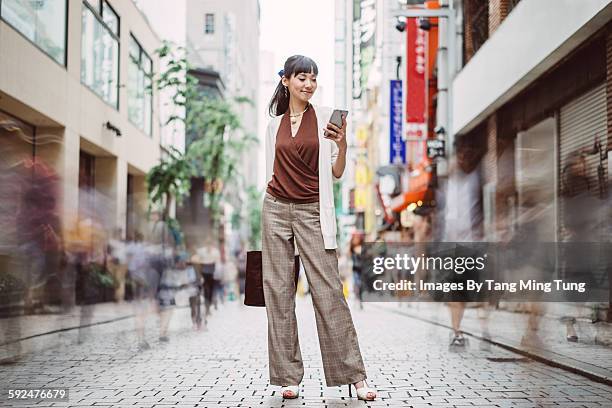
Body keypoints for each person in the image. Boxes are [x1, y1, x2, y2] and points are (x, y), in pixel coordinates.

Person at [262, 55, 375, 401]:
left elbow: (338, 172)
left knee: (328, 293)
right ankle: (287, 377)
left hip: (313, 211)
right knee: (279, 293)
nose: (308, 84)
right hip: (276, 209)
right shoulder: (273, 125)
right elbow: (270, 172)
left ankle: (355, 376)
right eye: (301, 78)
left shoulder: (326, 117)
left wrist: (341, 145)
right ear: (286, 81)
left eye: (313, 78)